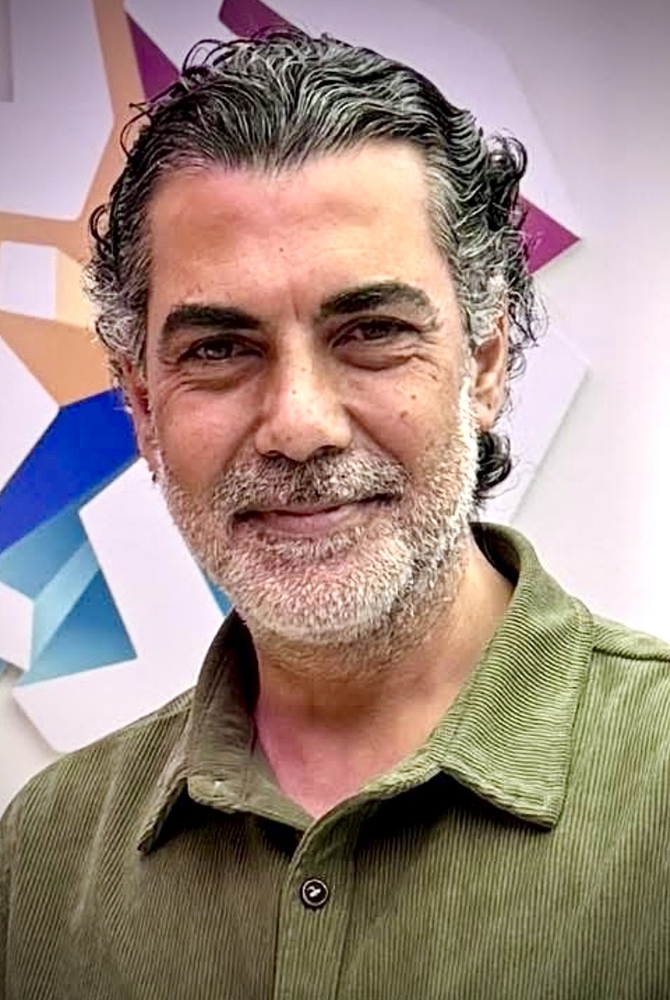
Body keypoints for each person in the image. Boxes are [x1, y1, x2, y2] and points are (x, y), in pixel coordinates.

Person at [2, 31, 669, 1000]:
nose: (299, 426)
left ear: (484, 365)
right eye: (219, 348)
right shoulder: (43, 856)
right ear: (141, 403)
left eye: (372, 332)